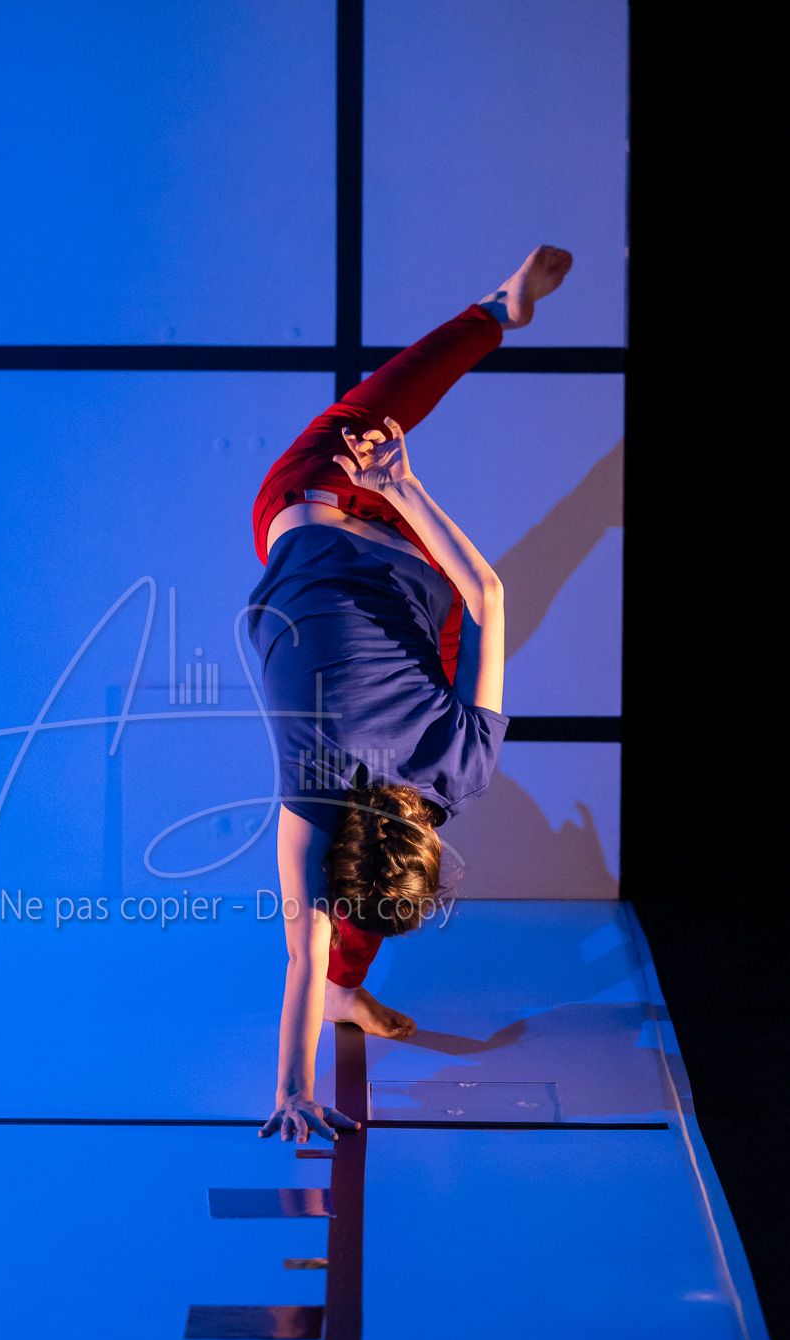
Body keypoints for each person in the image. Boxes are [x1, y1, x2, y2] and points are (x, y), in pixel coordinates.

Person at [248, 245, 573, 1145]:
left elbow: (490, 597)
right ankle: (495, 312)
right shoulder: (320, 797)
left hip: (397, 556)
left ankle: (497, 313)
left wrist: (404, 487)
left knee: (384, 416)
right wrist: (288, 1089)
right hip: (324, 521)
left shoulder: (457, 769)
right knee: (382, 405)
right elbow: (299, 949)